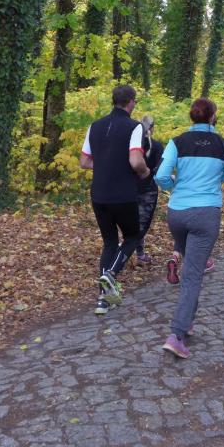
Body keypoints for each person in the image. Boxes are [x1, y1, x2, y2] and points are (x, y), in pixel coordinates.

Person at [156, 98, 224, 359]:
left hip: (177, 213)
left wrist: (175, 186)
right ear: (212, 117)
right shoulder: (223, 145)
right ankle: (176, 335)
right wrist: (222, 177)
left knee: (192, 268)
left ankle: (186, 322)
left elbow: (161, 176)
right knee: (193, 275)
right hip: (205, 214)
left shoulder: (177, 142)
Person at [80, 85, 151, 316]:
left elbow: (84, 162)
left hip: (99, 193)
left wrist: (105, 165)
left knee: (110, 242)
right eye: (135, 101)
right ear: (130, 102)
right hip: (123, 193)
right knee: (132, 236)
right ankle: (110, 274)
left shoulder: (95, 126)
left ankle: (103, 300)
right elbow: (136, 161)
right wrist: (145, 172)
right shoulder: (135, 127)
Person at [135, 115, 164, 264]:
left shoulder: (133, 146)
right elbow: (160, 170)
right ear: (152, 128)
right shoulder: (157, 146)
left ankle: (134, 252)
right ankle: (136, 253)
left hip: (129, 188)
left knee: (131, 222)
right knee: (142, 224)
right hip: (149, 189)